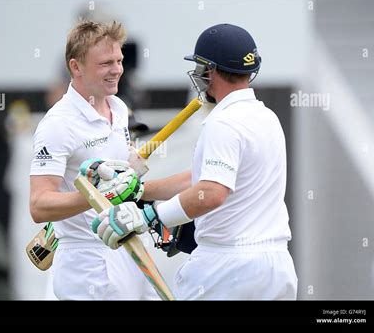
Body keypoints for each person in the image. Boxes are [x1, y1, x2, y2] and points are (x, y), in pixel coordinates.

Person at [91, 23, 298, 300]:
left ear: (210, 71)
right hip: (277, 266)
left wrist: (149, 216)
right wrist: (141, 190)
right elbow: (204, 179)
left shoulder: (223, 122)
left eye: (201, 67)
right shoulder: (267, 118)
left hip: (227, 267)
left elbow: (212, 192)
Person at [29, 20, 158, 300]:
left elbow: (121, 178)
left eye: (119, 60)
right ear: (76, 67)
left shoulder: (119, 108)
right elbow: (39, 205)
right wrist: (101, 195)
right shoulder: (58, 124)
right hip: (86, 263)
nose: (116, 70)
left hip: (129, 247)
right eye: (105, 63)